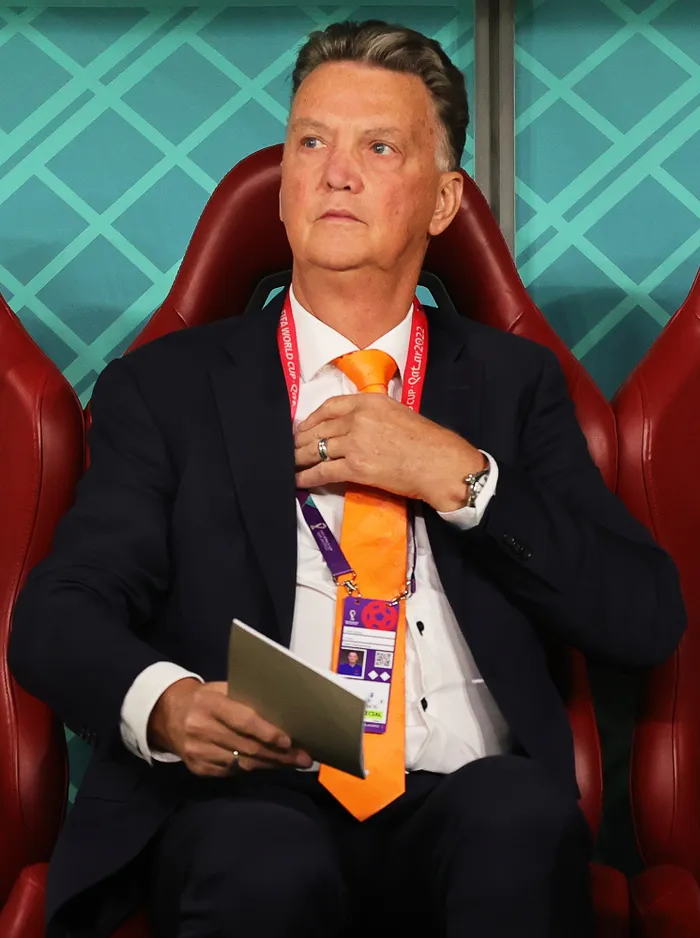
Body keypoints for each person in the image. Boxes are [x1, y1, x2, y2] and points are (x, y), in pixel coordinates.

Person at [9, 18, 686, 938]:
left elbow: (644, 618)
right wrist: (164, 703)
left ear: (444, 201)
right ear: (284, 186)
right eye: (310, 142)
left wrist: (463, 480)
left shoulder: (515, 385)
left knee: (521, 824)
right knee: (259, 859)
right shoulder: (166, 387)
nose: (335, 172)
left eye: (379, 147)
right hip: (252, 796)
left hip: (467, 793)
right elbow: (59, 613)